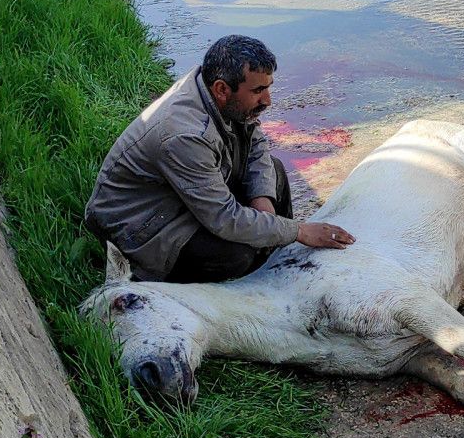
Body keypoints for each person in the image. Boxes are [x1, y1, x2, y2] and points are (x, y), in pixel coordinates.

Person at [84, 35, 354, 283]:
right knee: (236, 256)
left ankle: (272, 256)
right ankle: (250, 281)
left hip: (180, 198)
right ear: (222, 89)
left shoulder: (218, 93)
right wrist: (297, 231)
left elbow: (256, 143)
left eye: (269, 87)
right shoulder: (184, 135)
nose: (268, 100)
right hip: (143, 227)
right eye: (258, 90)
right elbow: (224, 218)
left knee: (275, 173)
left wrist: (264, 205)